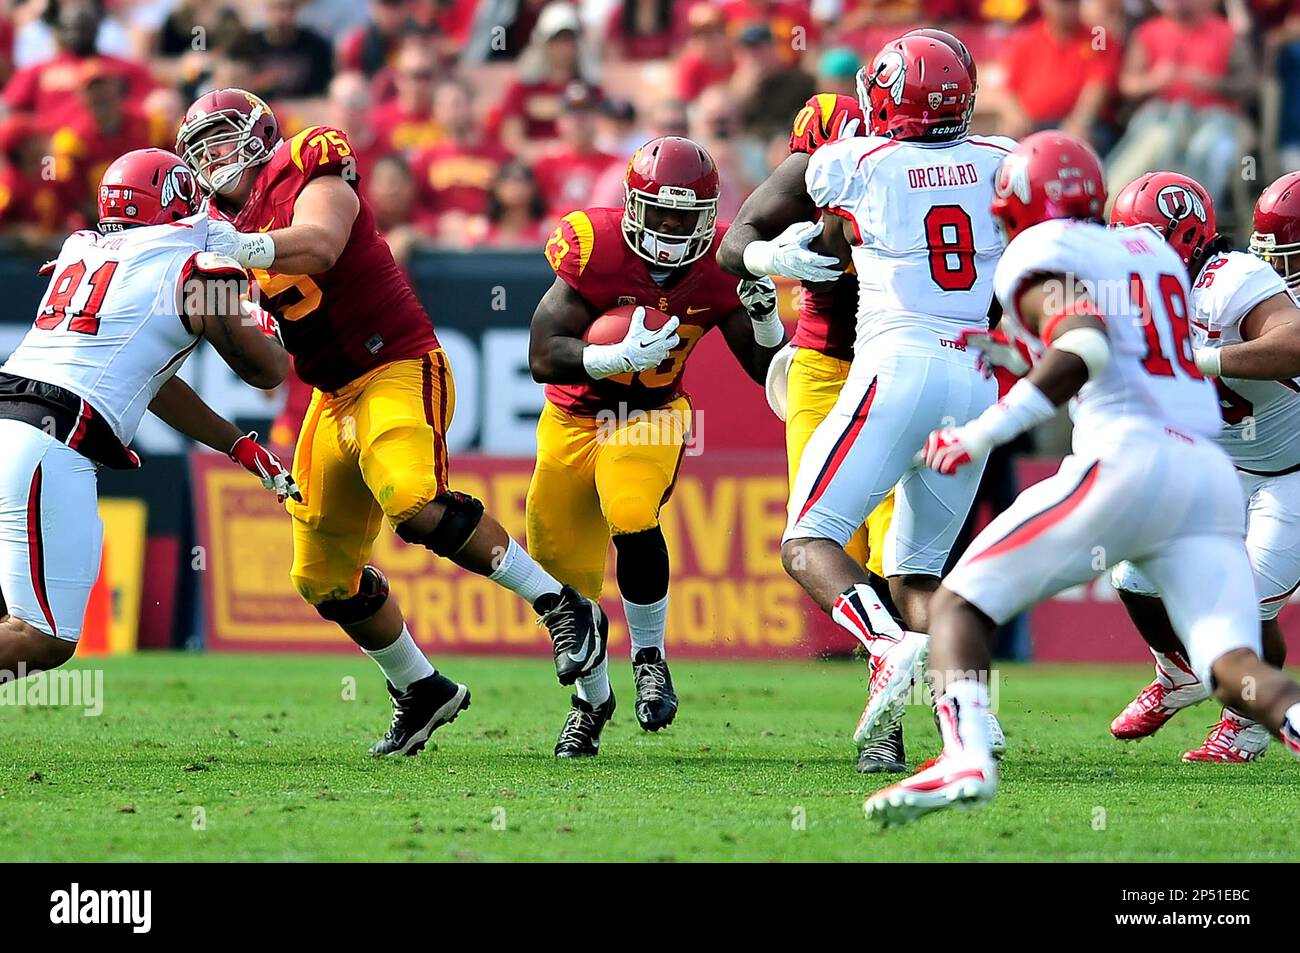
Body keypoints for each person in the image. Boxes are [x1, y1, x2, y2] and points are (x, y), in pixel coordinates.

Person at [865, 132, 1300, 827]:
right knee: (1233, 664)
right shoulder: (1152, 254)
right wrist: (1020, 345)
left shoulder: (1046, 252)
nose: (1001, 227)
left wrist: (984, 430)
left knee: (953, 606)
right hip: (1206, 478)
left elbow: (1088, 341)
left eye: (1007, 212)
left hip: (1127, 462)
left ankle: (967, 756)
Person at [174, 88, 607, 757]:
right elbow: (261, 360)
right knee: (321, 575)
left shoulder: (307, 163)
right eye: (202, 151)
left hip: (398, 362)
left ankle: (561, 606)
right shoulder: (209, 230)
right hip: (330, 392)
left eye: (225, 140)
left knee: (410, 496)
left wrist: (239, 244)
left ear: (261, 135)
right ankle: (421, 687)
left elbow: (317, 244)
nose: (215, 159)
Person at [718, 31, 1010, 756]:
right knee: (915, 569)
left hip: (892, 364)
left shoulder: (853, 159)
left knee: (812, 539)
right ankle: (969, 710)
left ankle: (889, 663)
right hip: (966, 372)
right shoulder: (1002, 162)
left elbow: (739, 235)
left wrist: (762, 254)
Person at [527, 136, 787, 755]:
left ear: (708, 216)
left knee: (631, 509)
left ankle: (649, 659)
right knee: (562, 569)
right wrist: (609, 356)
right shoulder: (595, 246)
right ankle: (592, 703)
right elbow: (542, 355)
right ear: (633, 204)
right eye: (661, 212)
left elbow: (766, 370)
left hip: (651, 414)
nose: (671, 229)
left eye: (685, 216)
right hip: (571, 418)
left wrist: (766, 319)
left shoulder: (724, 262)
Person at [0, 147, 292, 678]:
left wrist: (234, 442)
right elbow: (266, 371)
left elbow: (146, 380)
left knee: (12, 621)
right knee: (40, 637)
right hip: (48, 441)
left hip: (15, 423)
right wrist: (267, 324)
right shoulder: (196, 269)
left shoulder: (83, 247)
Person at [1108, 171, 1300, 762]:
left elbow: (1294, 342)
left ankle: (1244, 722)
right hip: (1223, 467)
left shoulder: (1232, 279)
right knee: (1131, 573)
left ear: (1182, 238)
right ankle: (1178, 674)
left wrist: (1203, 360)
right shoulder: (1138, 297)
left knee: (1239, 605)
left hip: (1292, 474)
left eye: (1141, 242)